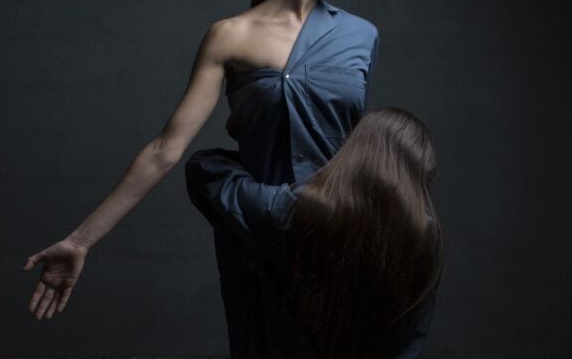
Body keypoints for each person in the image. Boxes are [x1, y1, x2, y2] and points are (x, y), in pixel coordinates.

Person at [23, 0, 395, 355]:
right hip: (258, 235)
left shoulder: (363, 37)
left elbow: (354, 148)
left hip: (336, 233)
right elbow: (165, 149)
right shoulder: (229, 37)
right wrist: (80, 242)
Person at [185, 107, 444, 358]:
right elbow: (412, 341)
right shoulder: (426, 239)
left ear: (354, 152)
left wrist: (254, 152)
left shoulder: (299, 209)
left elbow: (203, 170)